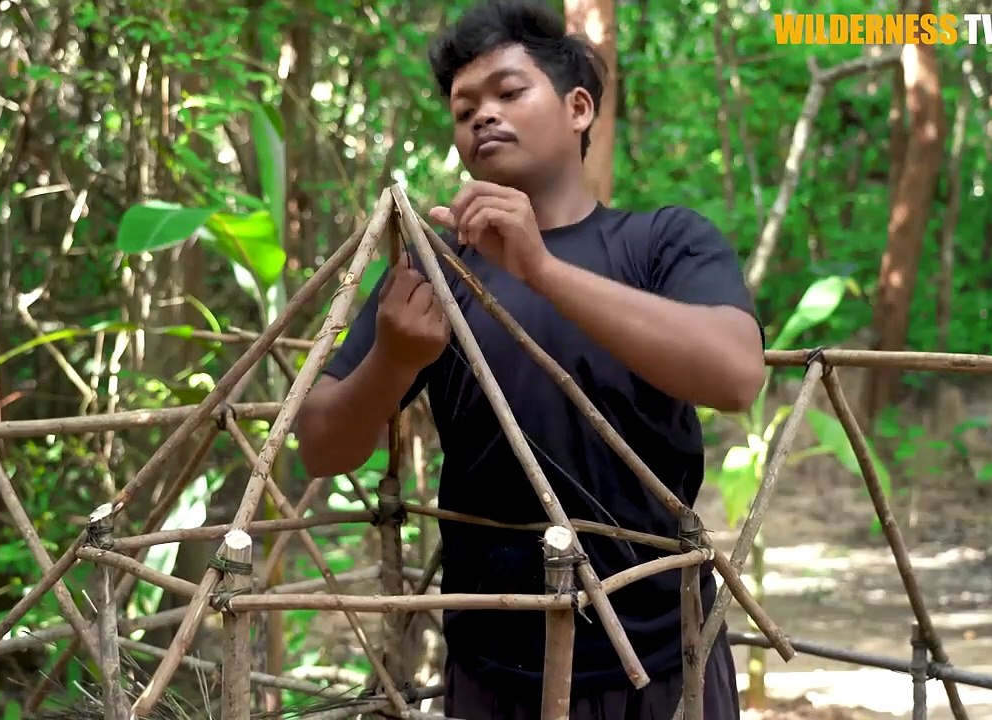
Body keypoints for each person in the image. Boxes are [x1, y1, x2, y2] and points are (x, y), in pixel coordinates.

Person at [293, 0, 765, 717]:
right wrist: (393, 358)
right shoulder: (436, 271)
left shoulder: (662, 242)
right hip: (494, 666)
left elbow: (735, 376)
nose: (483, 115)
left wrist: (539, 269)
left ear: (579, 109)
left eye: (509, 92)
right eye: (464, 110)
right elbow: (320, 446)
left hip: (664, 658)